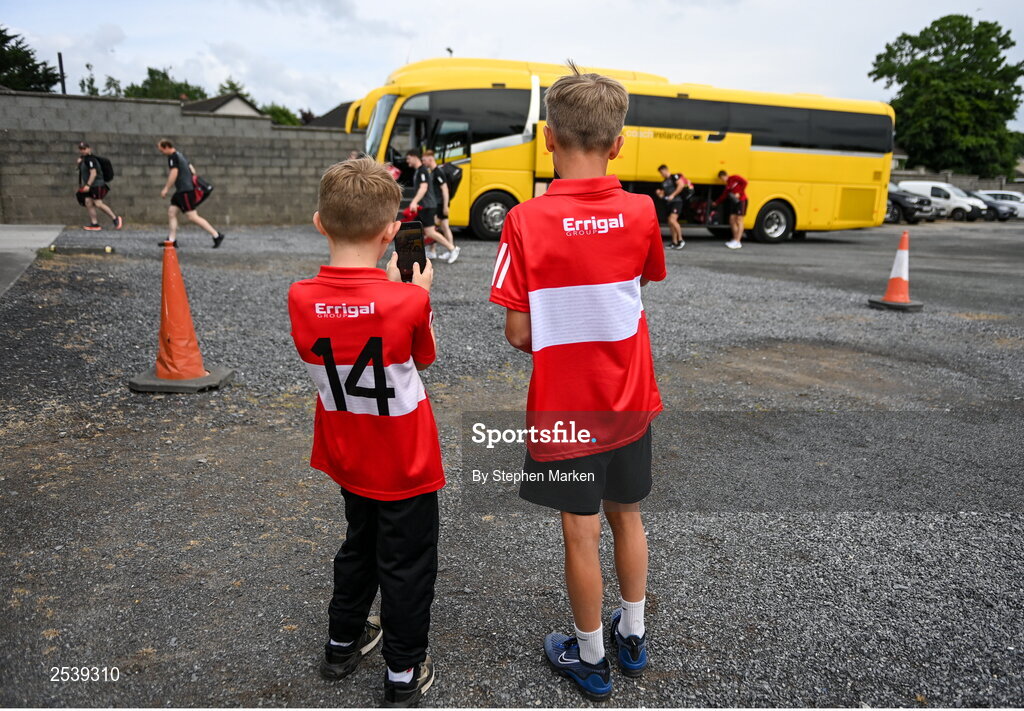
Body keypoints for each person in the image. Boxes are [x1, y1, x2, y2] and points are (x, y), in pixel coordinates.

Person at [489, 63, 666, 701]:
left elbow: (516, 333)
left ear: (547, 138)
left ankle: (589, 654)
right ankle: (634, 635)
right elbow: (634, 288)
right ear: (617, 144)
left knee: (579, 531)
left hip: (566, 407)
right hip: (628, 400)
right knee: (629, 516)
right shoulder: (643, 211)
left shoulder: (524, 220)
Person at [288, 158, 443, 708]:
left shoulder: (300, 295)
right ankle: (403, 670)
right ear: (390, 233)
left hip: (348, 450)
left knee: (359, 545)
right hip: (405, 459)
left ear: (319, 223)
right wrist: (412, 292)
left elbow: (345, 317)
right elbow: (422, 357)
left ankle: (342, 641)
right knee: (407, 562)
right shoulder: (409, 299)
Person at [156, 139, 225, 248]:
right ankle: (171, 240)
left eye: (162, 150)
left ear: (167, 147)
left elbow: (174, 173)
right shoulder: (180, 155)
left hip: (185, 191)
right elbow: (192, 170)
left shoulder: (173, 157)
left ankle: (216, 235)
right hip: (182, 191)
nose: (162, 153)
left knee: (192, 216)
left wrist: (166, 188)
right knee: (172, 212)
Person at [405, 149, 459, 263]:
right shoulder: (423, 171)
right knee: (417, 229)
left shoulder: (423, 171)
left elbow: (425, 188)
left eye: (408, 158)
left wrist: (414, 201)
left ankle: (452, 248)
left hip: (428, 206)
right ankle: (423, 252)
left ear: (414, 157)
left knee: (431, 231)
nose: (407, 161)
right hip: (425, 206)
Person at [75, 142, 123, 231]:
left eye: (84, 149)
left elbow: (93, 173)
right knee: (88, 202)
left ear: (89, 149)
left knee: (98, 203)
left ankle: (115, 218)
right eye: (81, 149)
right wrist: (79, 163)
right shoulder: (84, 159)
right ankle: (94, 224)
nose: (82, 151)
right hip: (90, 185)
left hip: (96, 185)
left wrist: (88, 185)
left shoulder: (90, 160)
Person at [423, 150, 460, 264]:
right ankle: (435, 250)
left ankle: (452, 249)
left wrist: (445, 206)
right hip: (438, 203)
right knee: (443, 227)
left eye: (424, 160)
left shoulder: (438, 172)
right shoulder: (433, 171)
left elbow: (445, 190)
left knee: (435, 228)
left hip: (440, 204)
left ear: (430, 159)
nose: (423, 162)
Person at [655, 164, 691, 249]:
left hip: (677, 202)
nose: (661, 174)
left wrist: (673, 195)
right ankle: (674, 242)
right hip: (669, 203)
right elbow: (662, 195)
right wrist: (659, 193)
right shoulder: (664, 182)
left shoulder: (674, 177)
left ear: (665, 170)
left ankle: (680, 240)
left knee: (672, 219)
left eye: (661, 172)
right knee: (670, 222)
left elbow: (681, 185)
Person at [713, 169, 748, 249]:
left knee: (739, 220)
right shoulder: (728, 185)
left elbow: (745, 182)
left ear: (724, 176)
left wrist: (739, 192)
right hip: (734, 202)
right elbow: (724, 195)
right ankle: (735, 239)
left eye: (722, 178)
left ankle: (738, 241)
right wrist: (716, 202)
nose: (722, 180)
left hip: (741, 200)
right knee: (732, 220)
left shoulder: (734, 178)